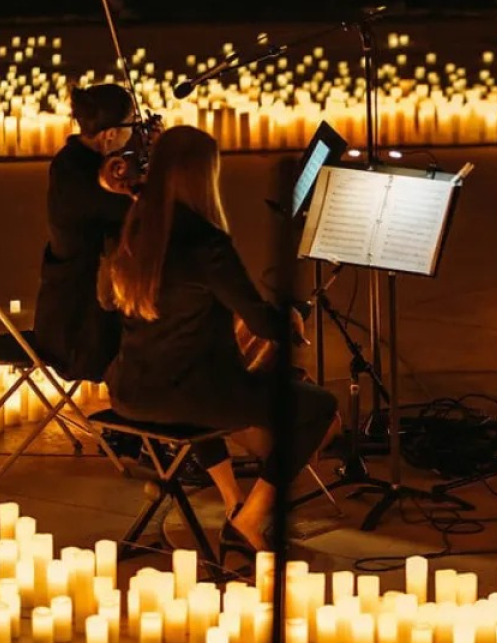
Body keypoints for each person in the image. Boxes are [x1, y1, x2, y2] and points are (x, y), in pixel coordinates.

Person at [102, 125, 339, 553]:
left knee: (201, 378)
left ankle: (233, 501)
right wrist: (289, 316)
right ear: (203, 176)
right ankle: (252, 519)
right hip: (189, 397)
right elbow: (264, 324)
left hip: (130, 390)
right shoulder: (206, 243)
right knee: (318, 407)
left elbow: (108, 300)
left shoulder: (136, 227)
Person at [33, 84, 136, 384]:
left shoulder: (73, 159)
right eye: (131, 125)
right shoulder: (85, 176)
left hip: (65, 310)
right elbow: (130, 207)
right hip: (79, 331)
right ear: (109, 135)